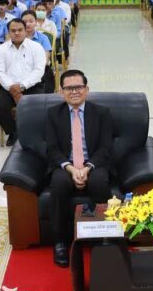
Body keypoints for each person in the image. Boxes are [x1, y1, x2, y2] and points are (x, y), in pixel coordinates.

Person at [45, 69, 113, 267]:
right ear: (61, 91)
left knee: (99, 182)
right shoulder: (53, 114)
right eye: (69, 88)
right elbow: (52, 148)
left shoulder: (102, 113)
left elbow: (106, 147)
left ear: (87, 89)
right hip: (65, 165)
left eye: (78, 87)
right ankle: (60, 242)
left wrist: (87, 168)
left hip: (94, 163)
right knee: (59, 184)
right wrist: (72, 169)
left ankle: (104, 236)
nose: (74, 91)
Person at [0, 19, 46, 145]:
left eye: (20, 30)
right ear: (8, 32)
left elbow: (39, 70)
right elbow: (0, 72)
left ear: (25, 31)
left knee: (38, 106)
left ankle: (33, 132)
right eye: (13, 30)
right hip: (9, 88)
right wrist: (12, 88)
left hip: (32, 86)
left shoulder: (36, 47)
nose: (17, 33)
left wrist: (22, 86)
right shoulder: (1, 49)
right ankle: (14, 132)